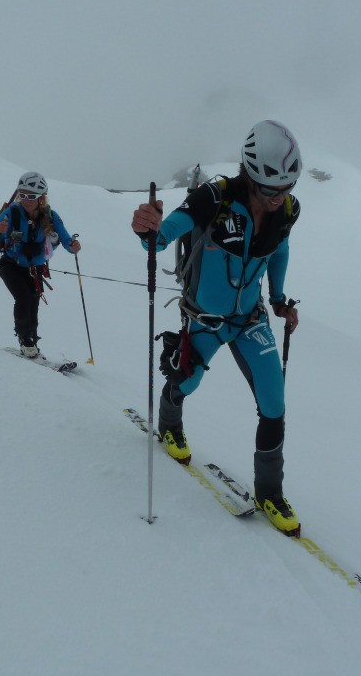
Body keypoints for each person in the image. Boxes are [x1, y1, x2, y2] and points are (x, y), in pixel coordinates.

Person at [130, 120, 303, 535]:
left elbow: (279, 251)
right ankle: (169, 424)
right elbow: (164, 234)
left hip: (250, 319)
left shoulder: (288, 211)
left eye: (285, 189)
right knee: (186, 384)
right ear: (248, 173)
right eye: (268, 189)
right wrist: (147, 229)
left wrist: (279, 300)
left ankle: (269, 491)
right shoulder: (216, 198)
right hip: (204, 319)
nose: (278, 199)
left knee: (274, 400)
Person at [0, 171, 81, 358]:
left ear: (41, 197)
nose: (27, 199)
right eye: (23, 194)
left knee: (33, 304)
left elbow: (68, 242)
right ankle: (26, 342)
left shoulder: (51, 216)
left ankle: (32, 344)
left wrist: (74, 246)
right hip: (10, 265)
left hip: (35, 270)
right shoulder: (10, 213)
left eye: (32, 196)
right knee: (24, 298)